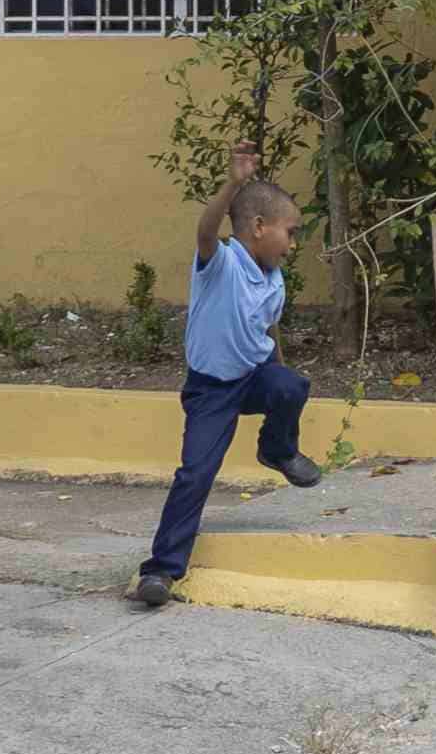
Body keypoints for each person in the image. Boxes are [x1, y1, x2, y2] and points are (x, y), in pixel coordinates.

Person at [127, 169, 314, 611]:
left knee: (292, 386)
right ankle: (160, 570)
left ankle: (277, 450)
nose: (293, 244)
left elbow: (268, 330)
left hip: (253, 375)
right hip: (211, 391)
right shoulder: (221, 263)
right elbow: (206, 229)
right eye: (290, 232)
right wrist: (232, 184)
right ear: (258, 227)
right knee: (195, 474)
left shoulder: (274, 278)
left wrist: (281, 382)